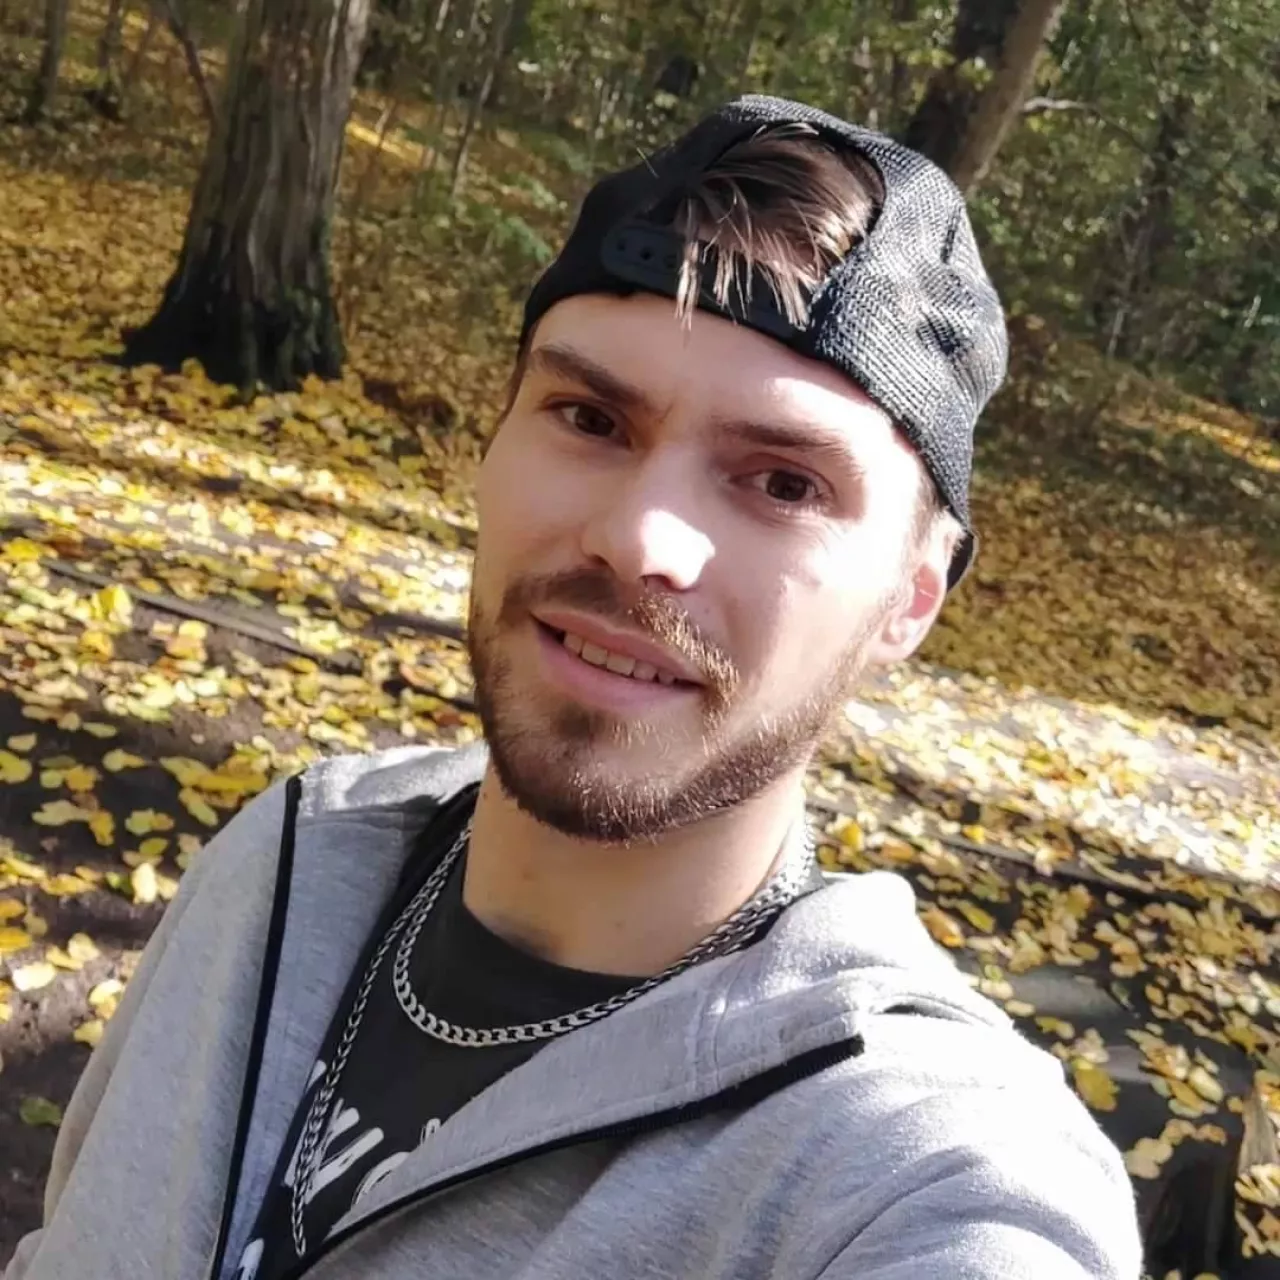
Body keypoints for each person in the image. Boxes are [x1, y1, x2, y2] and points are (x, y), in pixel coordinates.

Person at [6, 95, 1142, 1280]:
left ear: (909, 599)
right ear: (493, 443)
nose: (640, 535)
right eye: (590, 417)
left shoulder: (914, 1168)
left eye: (783, 484)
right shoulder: (286, 857)